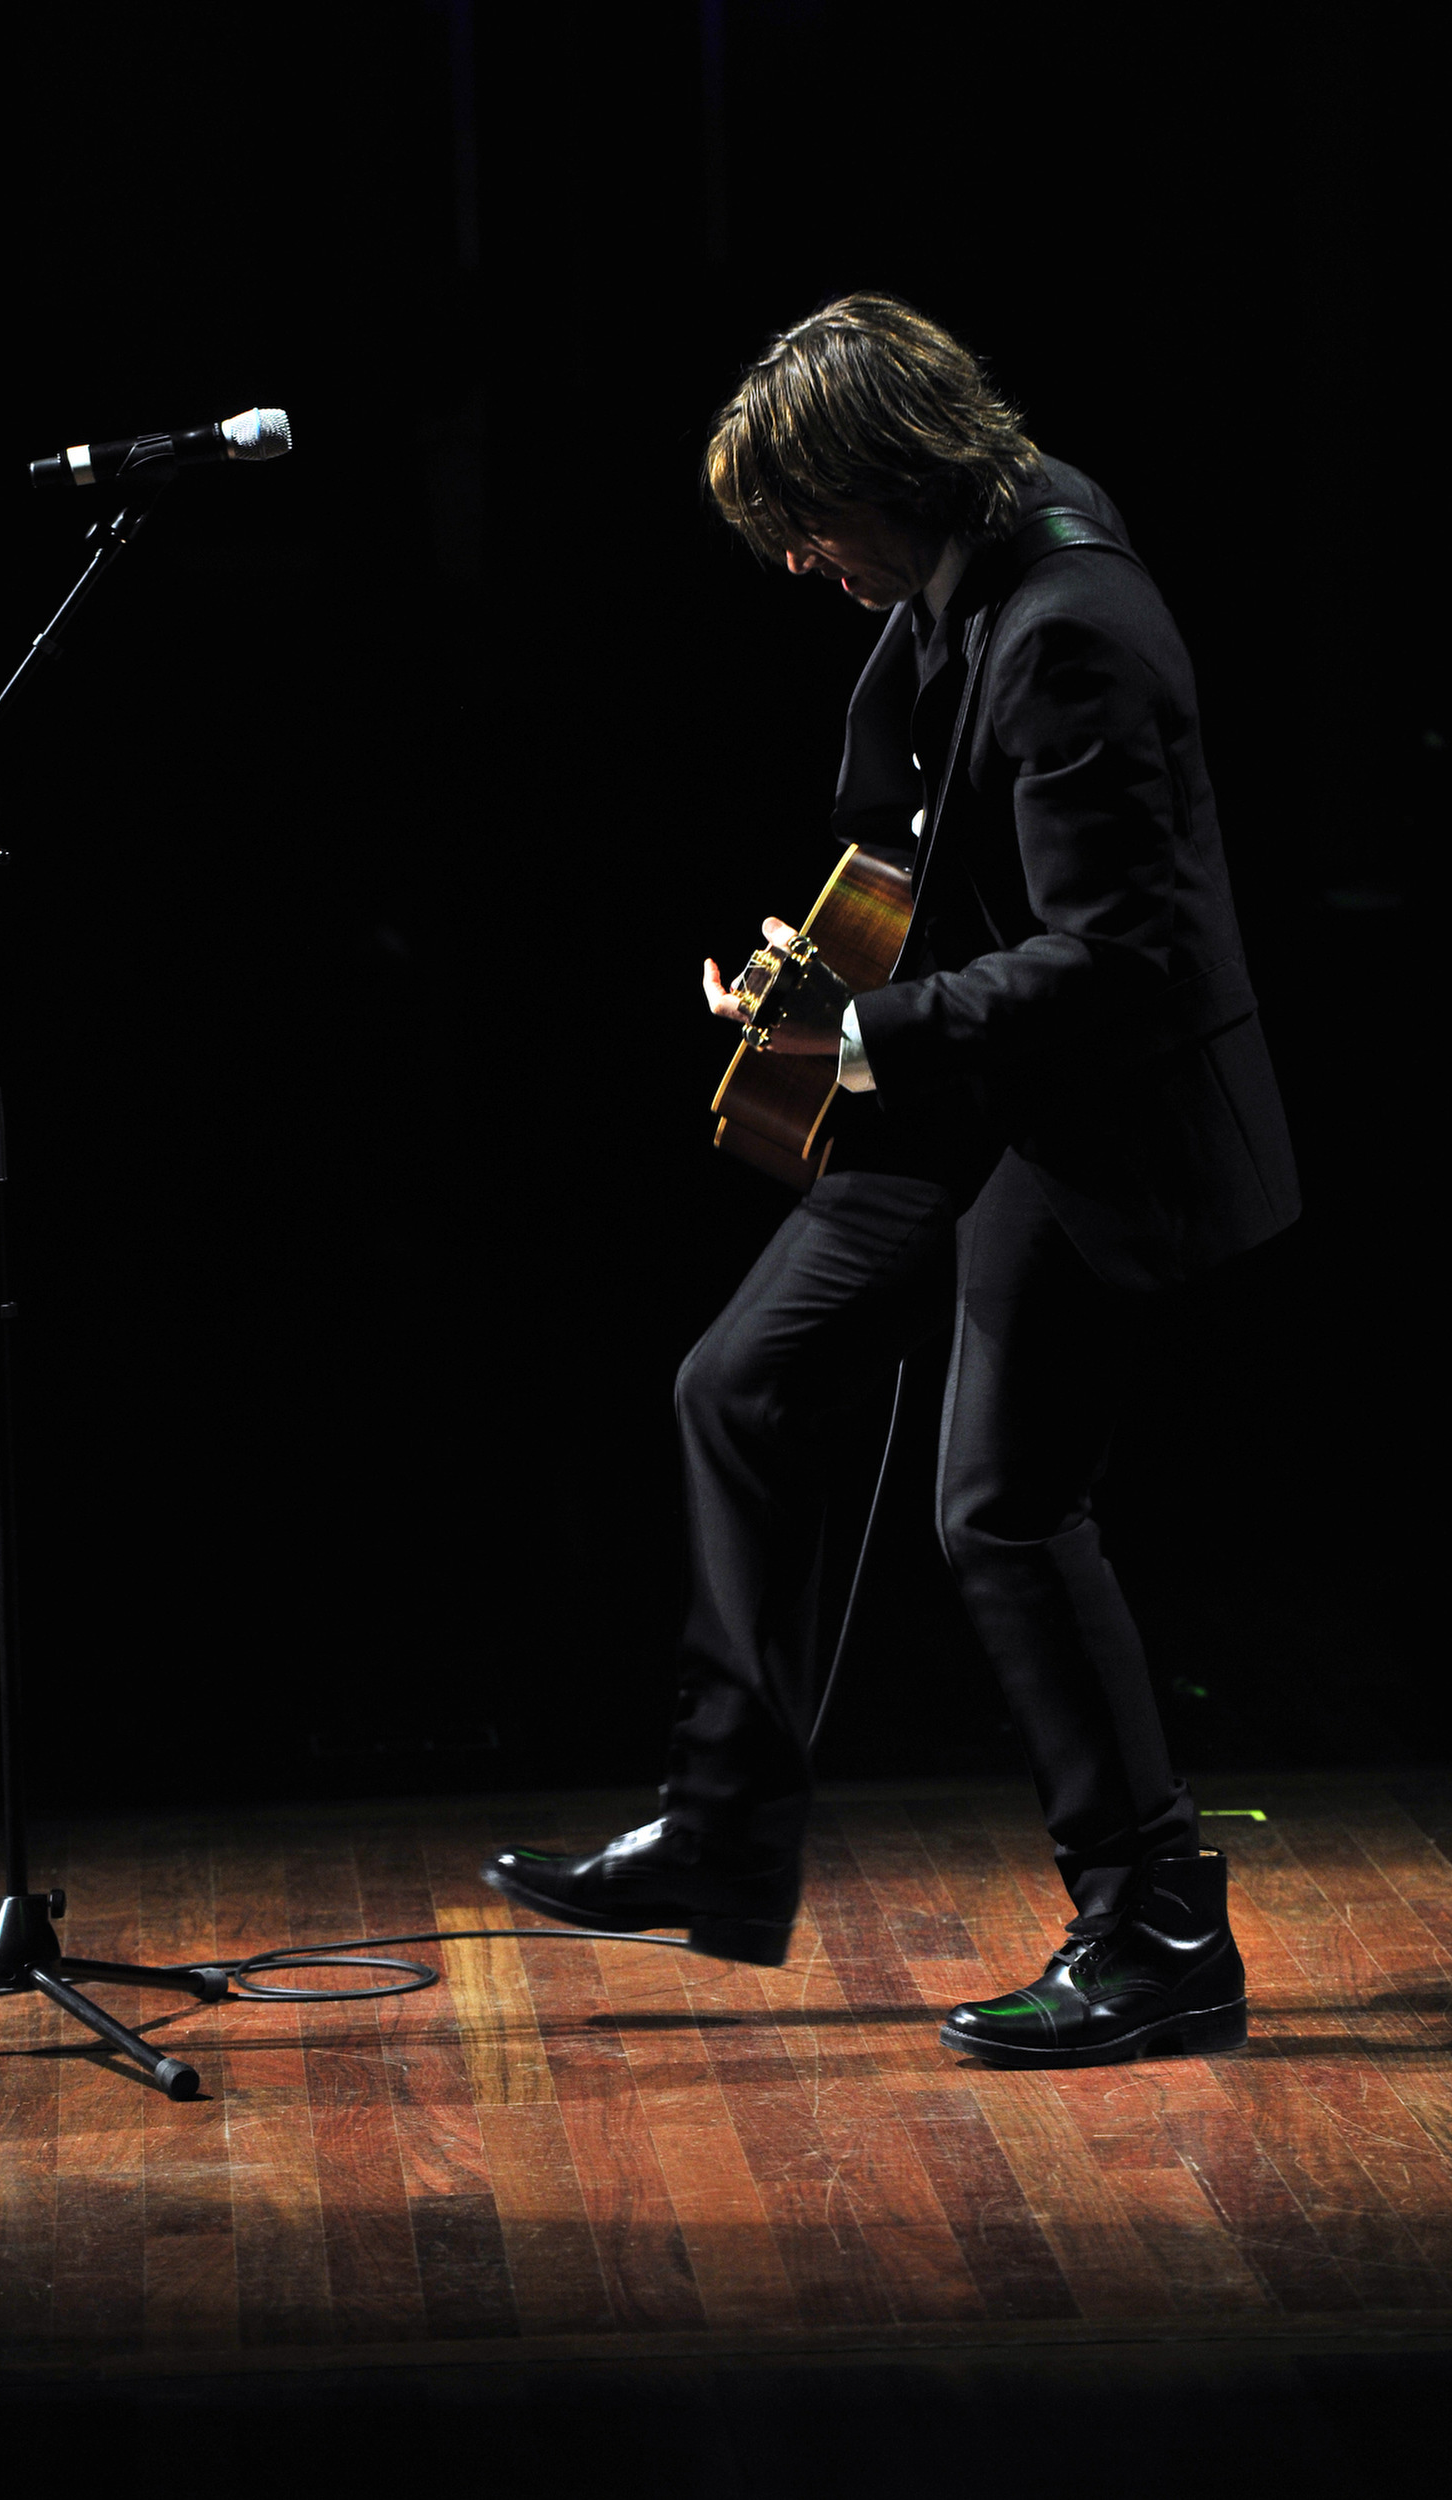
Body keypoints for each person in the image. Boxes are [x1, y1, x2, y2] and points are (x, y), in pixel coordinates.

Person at [482, 294, 1299, 2066]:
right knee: (743, 1384)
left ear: (890, 474)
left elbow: (1129, 956)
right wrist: (828, 978)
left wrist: (869, 1032)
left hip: (1094, 1121)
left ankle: (1159, 1925)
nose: (794, 561)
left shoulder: (1073, 621)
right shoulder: (974, 565)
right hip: (973, 1081)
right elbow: (952, 845)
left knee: (999, 1509)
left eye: (807, 522)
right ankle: (719, 1831)